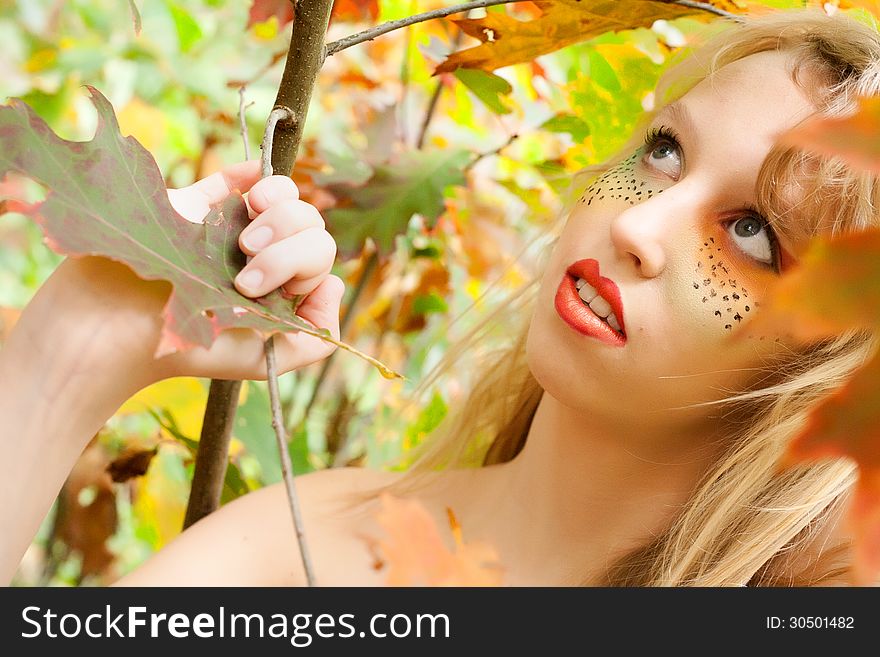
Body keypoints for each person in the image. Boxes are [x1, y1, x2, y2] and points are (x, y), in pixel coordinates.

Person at [2, 7, 878, 587]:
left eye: (755, 232)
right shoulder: (315, 542)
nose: (640, 230)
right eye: (662, 151)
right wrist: (70, 355)